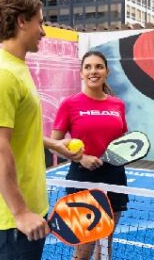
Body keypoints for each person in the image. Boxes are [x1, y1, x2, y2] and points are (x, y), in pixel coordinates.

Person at [0, 0, 81, 259]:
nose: (43, 31)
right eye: (40, 23)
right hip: (13, 219)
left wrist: (54, 144)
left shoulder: (16, 67)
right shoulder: (1, 74)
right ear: (22, 21)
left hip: (29, 209)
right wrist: (20, 212)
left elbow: (16, 131)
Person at [51, 51, 128, 260]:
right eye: (88, 67)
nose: (93, 71)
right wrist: (79, 158)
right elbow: (54, 144)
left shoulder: (117, 105)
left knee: (105, 246)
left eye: (98, 66)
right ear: (81, 73)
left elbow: (123, 140)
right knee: (83, 249)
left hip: (115, 178)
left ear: (106, 71)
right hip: (82, 180)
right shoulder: (70, 104)